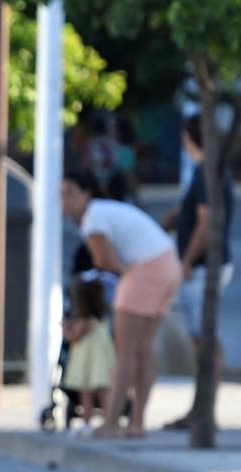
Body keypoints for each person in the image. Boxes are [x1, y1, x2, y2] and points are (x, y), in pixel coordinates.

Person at [60, 169, 180, 439]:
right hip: (167, 263)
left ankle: (112, 423)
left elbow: (104, 262)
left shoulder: (94, 218)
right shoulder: (103, 211)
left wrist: (126, 275)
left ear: (86, 193)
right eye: (61, 194)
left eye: (70, 192)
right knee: (141, 349)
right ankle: (136, 422)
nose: (64, 200)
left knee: (126, 352)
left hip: (147, 267)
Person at [161, 116, 235, 431]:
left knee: (203, 340)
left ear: (189, 138)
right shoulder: (207, 170)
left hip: (203, 266)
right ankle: (200, 409)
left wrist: (187, 261)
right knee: (200, 339)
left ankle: (205, 412)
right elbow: (187, 213)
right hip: (205, 264)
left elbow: (205, 222)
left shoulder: (206, 170)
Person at [62, 271, 117, 432]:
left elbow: (73, 337)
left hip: (87, 361)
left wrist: (64, 327)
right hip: (102, 359)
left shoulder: (85, 319)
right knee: (103, 392)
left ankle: (87, 423)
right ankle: (109, 421)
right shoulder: (103, 316)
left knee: (86, 393)